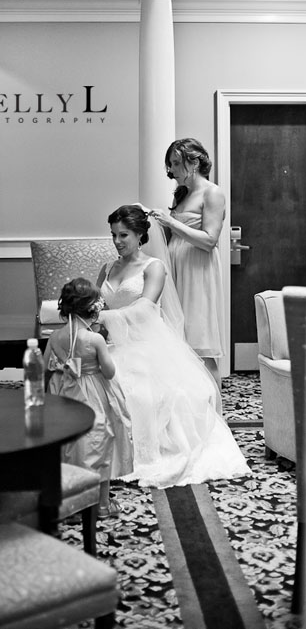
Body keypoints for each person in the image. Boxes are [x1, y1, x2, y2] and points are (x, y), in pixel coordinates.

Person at [95, 205, 249, 489]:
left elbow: (144, 308)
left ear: (140, 234)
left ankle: (141, 457)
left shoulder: (154, 267)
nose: (117, 241)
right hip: (110, 344)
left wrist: (103, 317)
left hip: (144, 345)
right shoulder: (107, 268)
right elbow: (95, 304)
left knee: (138, 392)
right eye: (114, 235)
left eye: (124, 235)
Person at [43, 278, 133, 517]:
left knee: (70, 447)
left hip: (64, 393)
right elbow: (110, 371)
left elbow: (45, 367)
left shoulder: (54, 337)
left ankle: (70, 506)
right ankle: (102, 506)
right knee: (99, 445)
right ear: (94, 309)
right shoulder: (95, 339)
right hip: (93, 395)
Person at [148, 138, 226, 388]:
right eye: (169, 164)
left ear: (193, 162)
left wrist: (171, 222)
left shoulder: (212, 192)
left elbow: (210, 240)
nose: (171, 170)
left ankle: (216, 418)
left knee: (200, 345)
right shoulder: (182, 194)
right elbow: (177, 235)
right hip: (177, 270)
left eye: (175, 163)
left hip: (198, 273)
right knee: (178, 343)